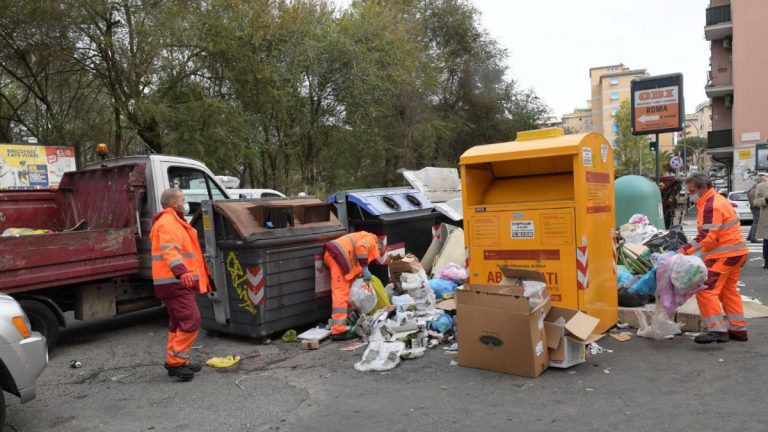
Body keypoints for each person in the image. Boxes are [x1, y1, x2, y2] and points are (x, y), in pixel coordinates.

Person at [150, 188, 212, 381]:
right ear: (174, 204)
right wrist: (182, 271)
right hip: (175, 283)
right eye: (183, 200)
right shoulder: (168, 223)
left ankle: (176, 360)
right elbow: (170, 251)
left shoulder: (173, 222)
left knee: (178, 323)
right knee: (192, 320)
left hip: (175, 283)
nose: (185, 203)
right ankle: (177, 362)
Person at [678, 174, 749, 344]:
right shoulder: (717, 200)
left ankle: (717, 330)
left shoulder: (711, 204)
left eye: (692, 191)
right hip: (736, 252)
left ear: (703, 188)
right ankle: (738, 329)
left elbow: (707, 235)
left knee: (705, 289)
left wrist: (685, 250)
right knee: (728, 291)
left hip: (724, 254)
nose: (690, 194)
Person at [323, 231, 382, 341]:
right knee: (341, 292)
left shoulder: (365, 236)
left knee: (349, 290)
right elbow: (361, 247)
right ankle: (338, 331)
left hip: (338, 257)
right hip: (337, 257)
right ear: (378, 246)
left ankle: (348, 320)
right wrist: (365, 268)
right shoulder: (372, 239)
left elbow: (356, 256)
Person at [746, 176, 765, 242]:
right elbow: (751, 196)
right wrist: (755, 204)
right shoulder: (757, 188)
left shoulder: (755, 187)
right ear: (761, 181)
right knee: (757, 222)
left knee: (755, 222)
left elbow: (749, 194)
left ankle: (750, 236)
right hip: (756, 207)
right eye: (764, 181)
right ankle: (753, 237)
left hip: (754, 206)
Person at [754, 177, 768, 269]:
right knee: (767, 242)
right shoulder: (761, 186)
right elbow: (756, 202)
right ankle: (767, 262)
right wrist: (766, 199)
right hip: (767, 219)